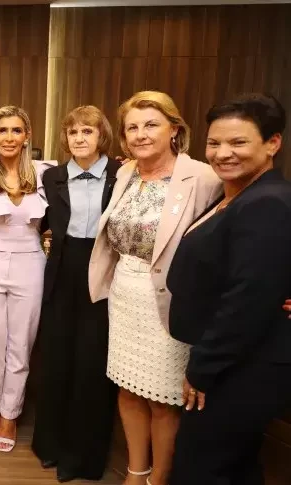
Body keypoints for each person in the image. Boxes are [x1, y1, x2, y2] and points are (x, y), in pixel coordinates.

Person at [88, 91, 222, 485]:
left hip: (169, 298)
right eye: (132, 127)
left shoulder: (203, 176)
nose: (141, 134)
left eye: (151, 125)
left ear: (174, 129)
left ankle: (159, 478)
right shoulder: (126, 172)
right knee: (127, 389)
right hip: (124, 293)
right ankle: (136, 471)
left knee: (163, 397)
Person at [167, 94, 291, 484]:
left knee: (202, 468)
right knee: (231, 468)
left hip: (241, 369)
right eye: (214, 143)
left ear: (272, 143)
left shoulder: (268, 202)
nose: (222, 154)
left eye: (238, 143)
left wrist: (203, 369)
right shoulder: (236, 194)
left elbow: (247, 299)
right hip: (231, 362)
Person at [31, 106, 120, 481]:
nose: (80, 138)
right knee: (56, 359)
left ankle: (82, 455)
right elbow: (41, 223)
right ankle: (49, 444)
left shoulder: (121, 173)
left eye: (88, 131)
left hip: (103, 271)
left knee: (91, 362)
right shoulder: (51, 176)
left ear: (102, 136)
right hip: (62, 270)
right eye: (73, 132)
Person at [0, 105, 54, 453]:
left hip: (30, 264)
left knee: (21, 346)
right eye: (2, 130)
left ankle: (10, 414)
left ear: (27, 136)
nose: (9, 137)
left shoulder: (46, 174)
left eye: (17, 130)